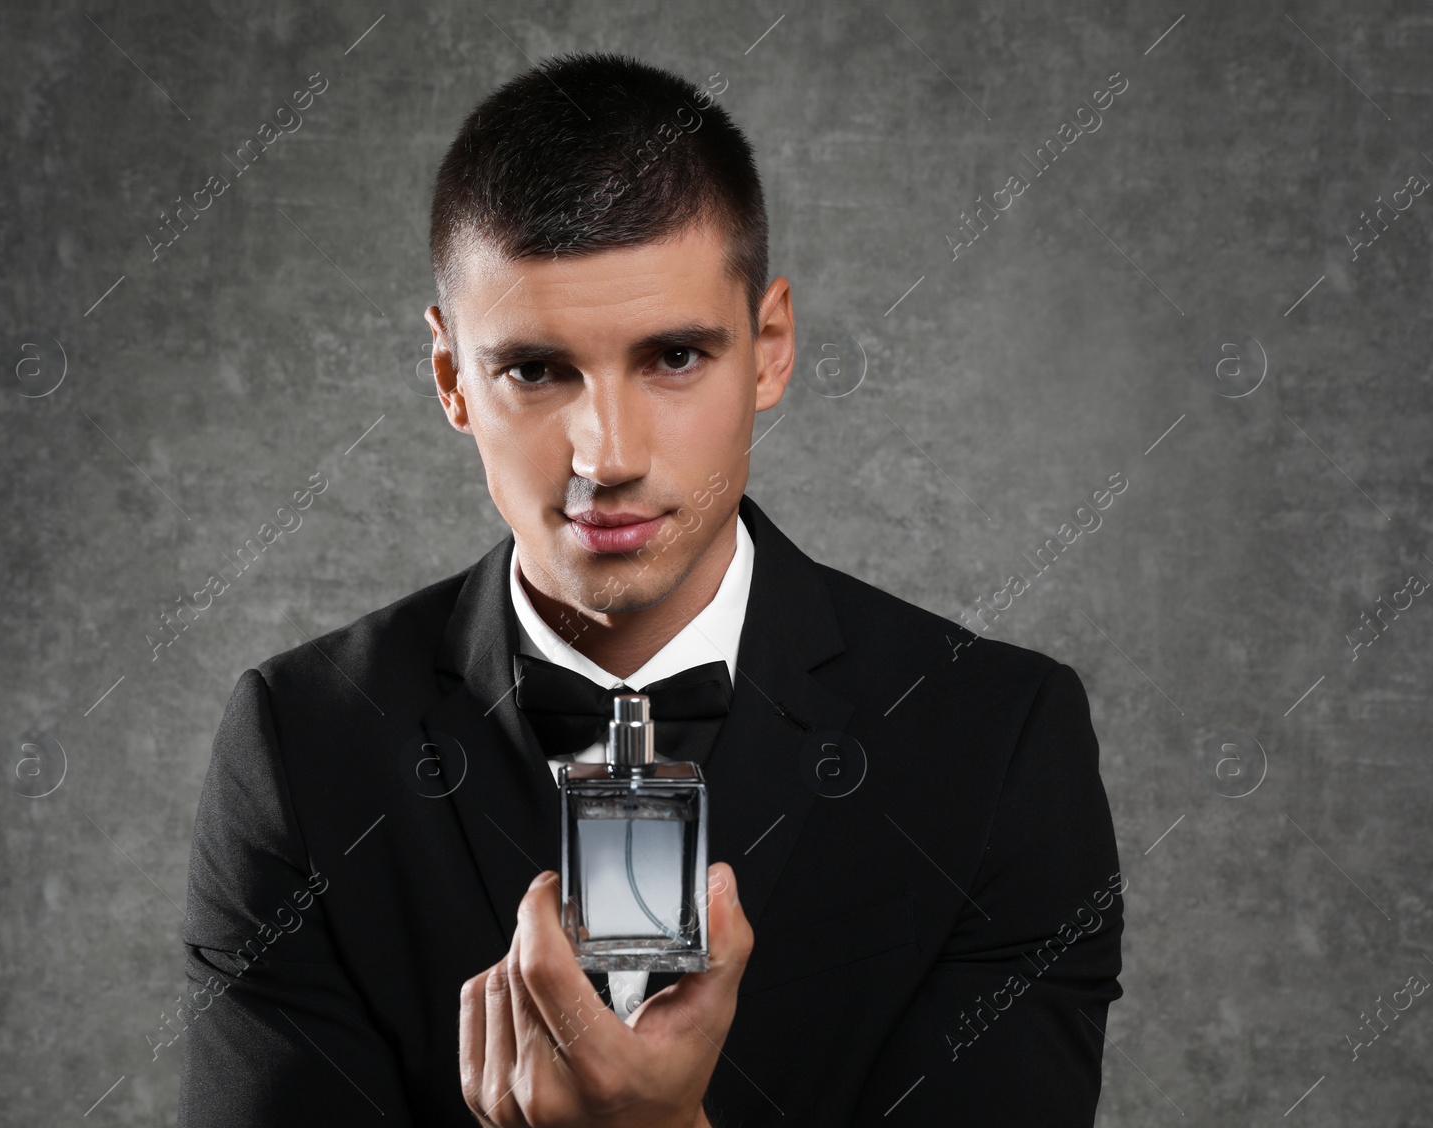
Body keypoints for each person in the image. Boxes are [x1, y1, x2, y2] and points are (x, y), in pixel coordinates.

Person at [177, 52, 1124, 1127]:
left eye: (673, 356)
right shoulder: (301, 750)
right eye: (536, 370)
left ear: (768, 348)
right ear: (451, 379)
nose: (608, 452)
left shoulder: (993, 744)